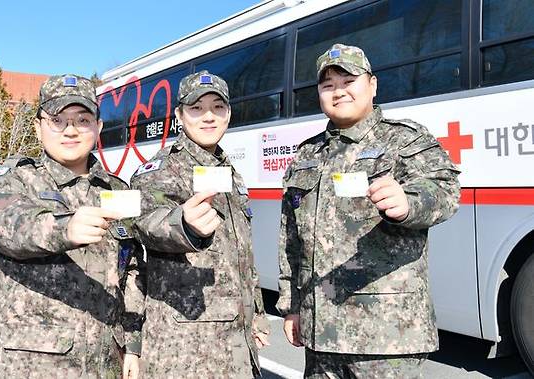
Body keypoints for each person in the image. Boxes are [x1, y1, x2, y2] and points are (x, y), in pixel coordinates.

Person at [277, 44, 461, 378]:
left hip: (385, 337)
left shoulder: (403, 140)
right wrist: (292, 307)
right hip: (320, 336)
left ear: (372, 85)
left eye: (348, 80)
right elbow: (292, 241)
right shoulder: (307, 155)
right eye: (328, 85)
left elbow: (445, 191)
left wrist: (409, 203)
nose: (338, 91)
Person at [0, 74, 141, 378]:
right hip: (30, 366)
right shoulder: (10, 179)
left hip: (105, 364)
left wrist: (132, 345)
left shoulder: (118, 190)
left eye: (82, 120)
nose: (70, 130)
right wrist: (63, 228)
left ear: (98, 127)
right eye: (58, 120)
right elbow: (7, 227)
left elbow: (130, 272)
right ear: (39, 127)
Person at [122, 70, 270, 378]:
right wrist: (183, 225)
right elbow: (145, 222)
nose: (209, 117)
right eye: (196, 108)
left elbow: (241, 253)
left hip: (237, 344)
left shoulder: (231, 173)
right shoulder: (159, 171)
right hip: (185, 351)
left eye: (218, 107)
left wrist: (255, 314)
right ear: (179, 114)